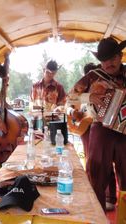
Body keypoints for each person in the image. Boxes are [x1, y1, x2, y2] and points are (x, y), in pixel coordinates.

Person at [67, 37, 126, 211]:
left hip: (124, 132)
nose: (108, 63)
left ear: (120, 56)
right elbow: (69, 99)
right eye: (104, 60)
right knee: (96, 174)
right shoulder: (93, 77)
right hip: (101, 129)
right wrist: (88, 97)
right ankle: (97, 216)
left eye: (112, 58)